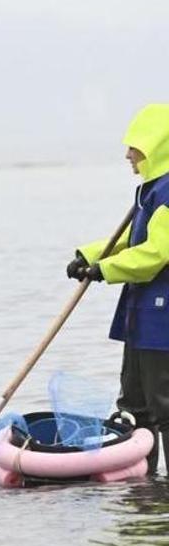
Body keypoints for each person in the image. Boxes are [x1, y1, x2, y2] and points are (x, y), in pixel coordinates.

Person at [67, 104, 169, 475]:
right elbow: (130, 239)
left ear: (157, 146)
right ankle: (147, 484)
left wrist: (104, 270)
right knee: (135, 404)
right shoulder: (151, 191)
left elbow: (157, 253)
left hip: (163, 323)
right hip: (141, 319)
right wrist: (88, 256)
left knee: (164, 406)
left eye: (135, 147)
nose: (128, 155)